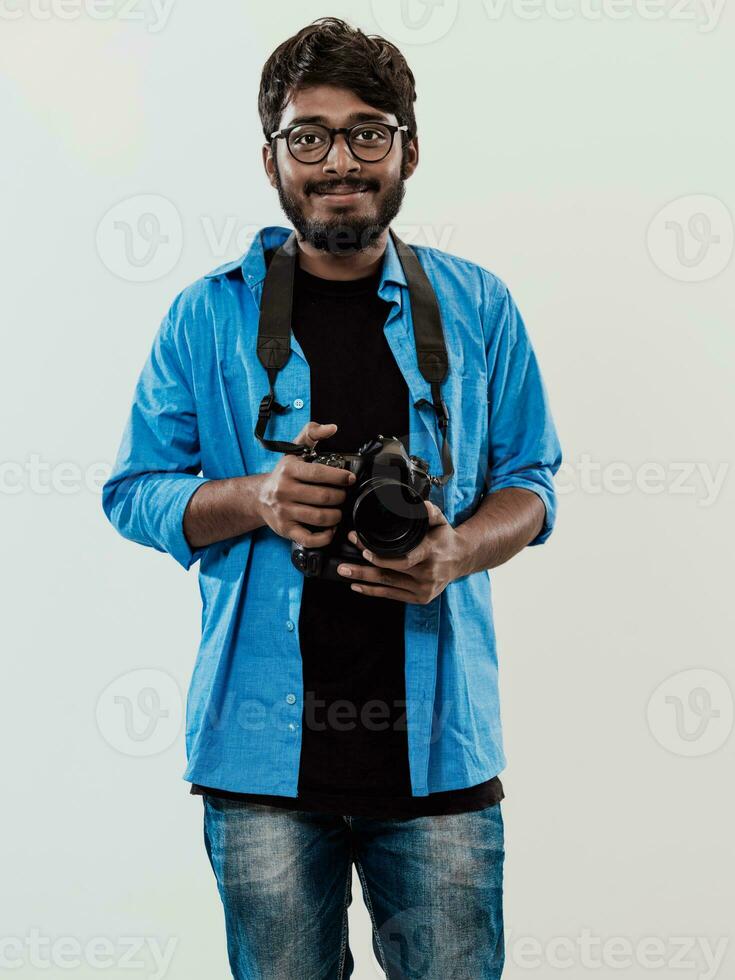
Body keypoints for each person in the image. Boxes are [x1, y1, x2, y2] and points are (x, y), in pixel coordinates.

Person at [102, 16, 562, 980]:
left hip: (439, 754)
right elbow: (133, 492)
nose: (338, 159)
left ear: (408, 150)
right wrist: (257, 497)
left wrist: (455, 553)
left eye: (367, 131)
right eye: (307, 135)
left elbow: (531, 482)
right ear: (271, 158)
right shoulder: (208, 313)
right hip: (261, 764)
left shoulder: (478, 307)